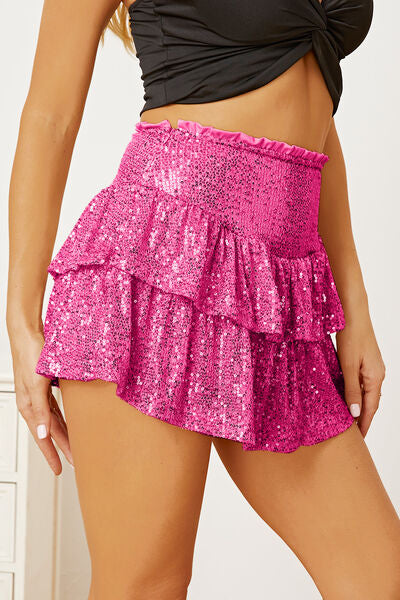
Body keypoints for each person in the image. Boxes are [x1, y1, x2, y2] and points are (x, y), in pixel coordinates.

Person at [6, 0, 400, 598]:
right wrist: (20, 320)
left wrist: (356, 313)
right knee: (145, 587)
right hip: (153, 270)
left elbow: (314, 125)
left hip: (276, 298)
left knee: (380, 579)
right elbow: (48, 117)